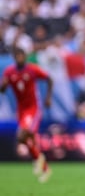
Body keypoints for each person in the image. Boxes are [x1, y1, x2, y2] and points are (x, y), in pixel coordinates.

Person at [0, 47, 53, 183]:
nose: (19, 58)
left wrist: (48, 98)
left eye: (21, 56)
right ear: (14, 58)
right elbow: (3, 90)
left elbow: (49, 79)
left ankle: (38, 160)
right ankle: (43, 165)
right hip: (21, 111)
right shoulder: (9, 72)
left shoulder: (32, 69)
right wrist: (3, 85)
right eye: (16, 56)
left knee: (22, 136)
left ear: (24, 56)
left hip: (33, 109)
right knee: (26, 139)